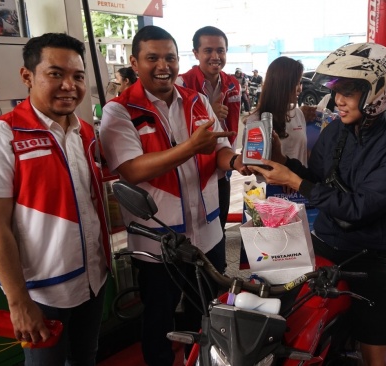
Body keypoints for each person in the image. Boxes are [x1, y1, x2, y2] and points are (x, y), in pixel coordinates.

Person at [250, 42, 386, 366]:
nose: (338, 99)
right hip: (324, 239)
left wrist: (294, 180)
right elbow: (317, 179)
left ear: (378, 92)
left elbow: (358, 208)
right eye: (337, 89)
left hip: (368, 255)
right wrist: (281, 161)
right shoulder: (335, 133)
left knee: (379, 355)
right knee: (271, 306)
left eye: (350, 91)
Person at [99, 25, 250, 366]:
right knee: (158, 319)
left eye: (169, 57)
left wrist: (238, 162)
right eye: (152, 58)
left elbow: (220, 149)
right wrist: (190, 148)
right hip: (158, 244)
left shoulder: (196, 101)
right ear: (134, 63)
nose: (162, 65)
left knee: (206, 313)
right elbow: (133, 169)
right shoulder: (119, 111)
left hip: (207, 235)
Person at [0, 33, 110, 365]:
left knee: (86, 357)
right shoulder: (2, 135)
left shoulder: (85, 132)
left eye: (78, 76)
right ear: (28, 76)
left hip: (94, 279)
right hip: (42, 293)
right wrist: (18, 302)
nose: (69, 85)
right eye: (56, 74)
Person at [176, 25, 242, 245]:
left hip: (223, 162)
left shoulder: (233, 84)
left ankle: (218, 268)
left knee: (219, 222)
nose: (215, 56)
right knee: (192, 227)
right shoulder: (182, 83)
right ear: (196, 53)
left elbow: (233, 124)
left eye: (221, 51)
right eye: (208, 51)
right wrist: (210, 110)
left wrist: (233, 158)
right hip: (194, 166)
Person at [247, 56, 307, 164]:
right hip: (274, 180)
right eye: (297, 83)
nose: (300, 89)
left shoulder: (298, 114)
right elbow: (254, 163)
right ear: (282, 85)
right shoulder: (256, 120)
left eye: (300, 83)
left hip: (301, 179)